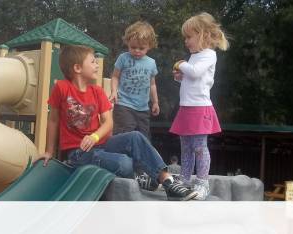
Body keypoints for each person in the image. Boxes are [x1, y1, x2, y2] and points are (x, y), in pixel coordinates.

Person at [41, 45, 197, 201]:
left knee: (135, 137)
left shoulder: (97, 91)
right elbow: (53, 120)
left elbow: (108, 123)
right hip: (78, 152)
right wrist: (49, 151)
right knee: (124, 163)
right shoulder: (62, 88)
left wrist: (94, 137)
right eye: (93, 62)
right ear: (77, 68)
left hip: (100, 143)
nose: (97, 65)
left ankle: (168, 181)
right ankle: (139, 178)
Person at [169, 12, 229, 200]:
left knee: (199, 147)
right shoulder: (194, 56)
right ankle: (185, 179)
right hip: (186, 108)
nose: (186, 41)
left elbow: (194, 73)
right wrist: (180, 77)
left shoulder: (209, 55)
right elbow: (192, 79)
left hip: (200, 108)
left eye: (189, 36)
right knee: (185, 146)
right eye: (185, 37)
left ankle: (203, 182)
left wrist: (181, 64)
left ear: (202, 34)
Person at [109, 21, 160, 140]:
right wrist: (113, 91)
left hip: (143, 108)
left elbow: (152, 84)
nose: (137, 50)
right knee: (124, 135)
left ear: (150, 46)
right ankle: (122, 158)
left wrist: (155, 102)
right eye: (133, 47)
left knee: (143, 138)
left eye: (141, 48)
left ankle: (139, 159)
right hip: (124, 105)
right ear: (127, 43)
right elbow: (115, 76)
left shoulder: (151, 63)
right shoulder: (123, 58)